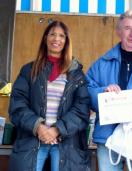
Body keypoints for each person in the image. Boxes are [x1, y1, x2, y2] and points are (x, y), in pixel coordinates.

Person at [8, 20, 90, 171]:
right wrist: (38, 127)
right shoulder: (28, 70)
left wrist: (57, 129)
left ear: (66, 41)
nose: (56, 39)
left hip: (66, 144)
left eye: (61, 36)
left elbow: (82, 109)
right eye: (52, 34)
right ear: (45, 38)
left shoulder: (76, 74)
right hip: (33, 140)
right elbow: (17, 104)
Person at [86, 10, 132, 171]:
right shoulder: (101, 63)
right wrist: (103, 92)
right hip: (108, 136)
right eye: (127, 28)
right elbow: (86, 90)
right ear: (118, 31)